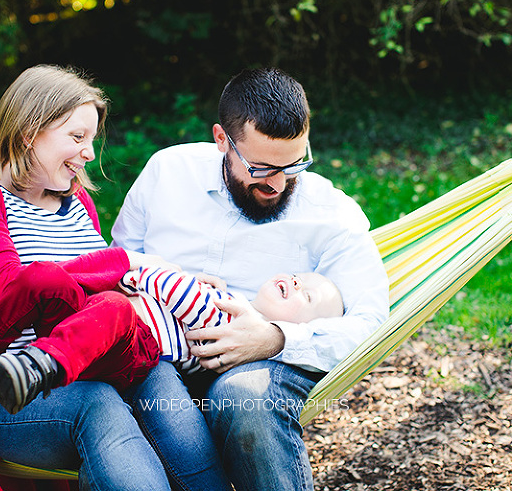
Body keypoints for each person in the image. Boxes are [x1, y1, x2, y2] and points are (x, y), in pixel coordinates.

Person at [112, 67, 390, 490]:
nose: (278, 183)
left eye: (295, 163)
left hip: (263, 361)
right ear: (222, 140)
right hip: (153, 347)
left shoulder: (331, 214)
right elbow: (117, 262)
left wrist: (275, 338)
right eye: (260, 168)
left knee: (243, 395)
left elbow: (372, 324)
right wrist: (170, 280)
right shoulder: (167, 172)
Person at [0, 64, 175, 490]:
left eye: (91, 139)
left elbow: (97, 290)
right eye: (76, 137)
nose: (89, 152)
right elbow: (13, 288)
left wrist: (119, 278)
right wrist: (113, 265)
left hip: (87, 364)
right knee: (98, 406)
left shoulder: (77, 200)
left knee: (169, 396)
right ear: (31, 130)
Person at [120, 267, 344, 372]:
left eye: (307, 296)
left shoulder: (235, 320)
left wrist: (135, 276)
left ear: (299, 329)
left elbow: (178, 291)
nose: (296, 282)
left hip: (124, 323)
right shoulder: (233, 308)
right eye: (297, 277)